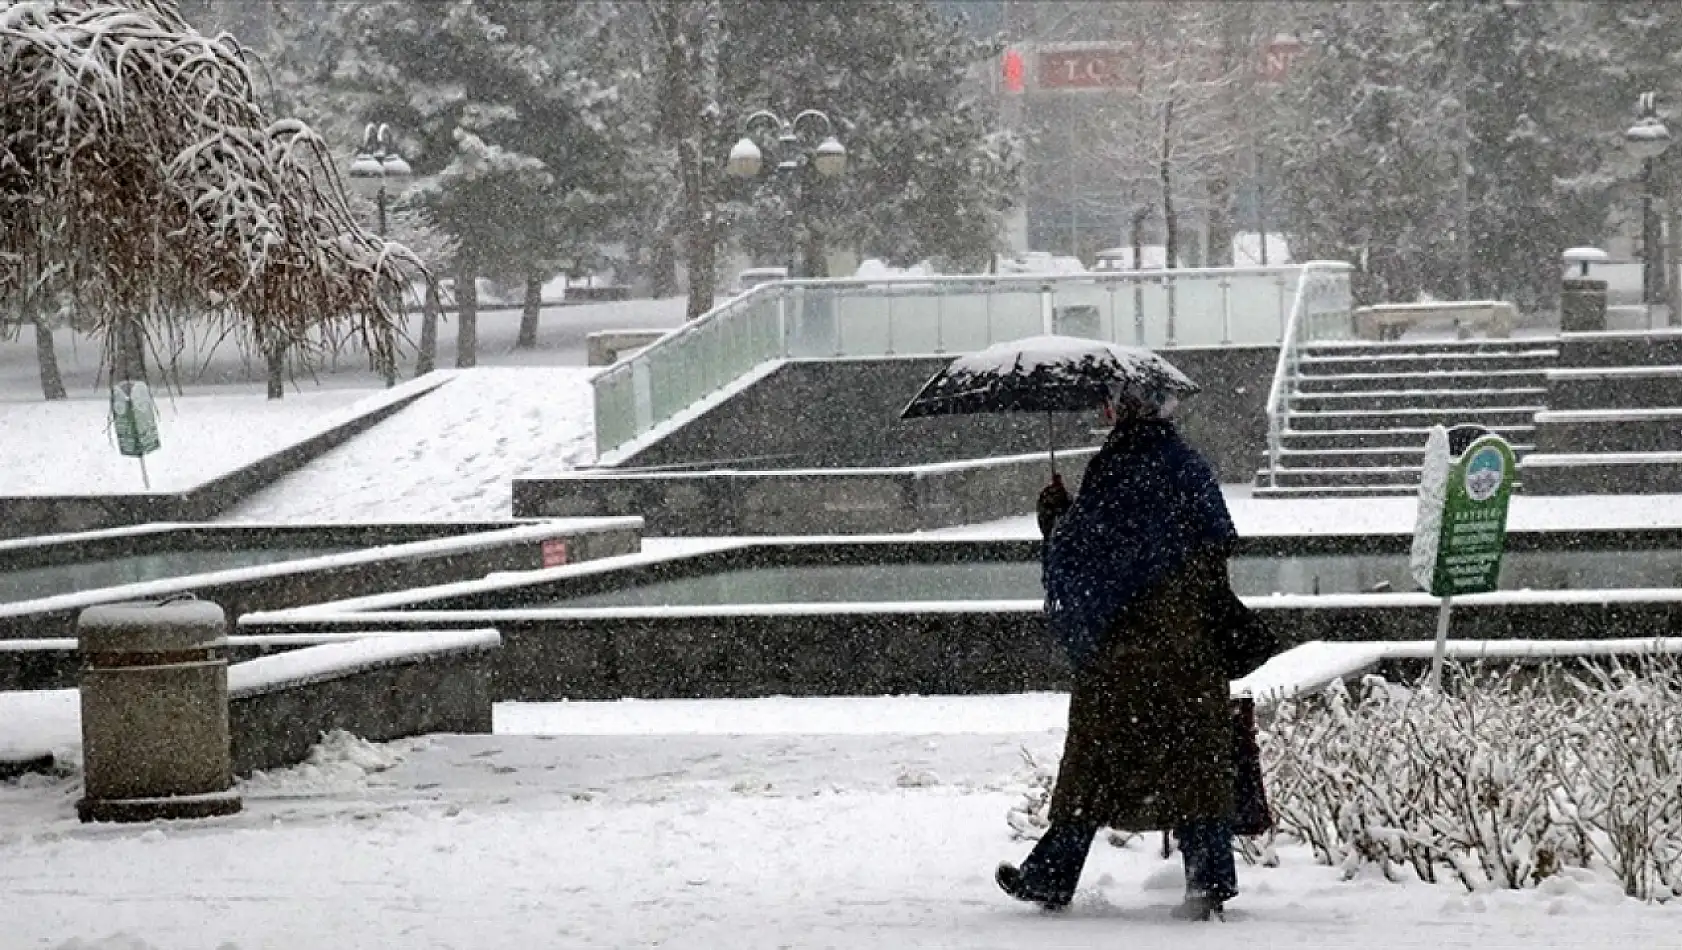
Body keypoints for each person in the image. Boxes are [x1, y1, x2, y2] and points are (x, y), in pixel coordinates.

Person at [996, 381, 1271, 921]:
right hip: (1190, 643)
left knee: (1093, 765)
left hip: (1125, 650)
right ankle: (1208, 882)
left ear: (1121, 411)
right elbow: (1216, 544)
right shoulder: (1190, 465)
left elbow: (1087, 563)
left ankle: (1051, 877)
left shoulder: (1113, 469)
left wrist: (1056, 520)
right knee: (1198, 762)